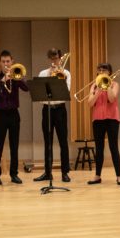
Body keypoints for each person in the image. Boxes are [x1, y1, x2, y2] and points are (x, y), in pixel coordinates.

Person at [0, 50, 28, 185]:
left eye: (8, 61)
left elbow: (26, 88)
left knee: (14, 146)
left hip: (13, 114)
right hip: (0, 114)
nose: (6, 64)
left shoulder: (15, 75)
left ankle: (14, 174)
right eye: (3, 61)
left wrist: (19, 77)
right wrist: (2, 81)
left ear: (12, 62)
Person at [34, 48, 72, 183]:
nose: (54, 61)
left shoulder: (66, 73)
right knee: (47, 142)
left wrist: (60, 77)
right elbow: (40, 96)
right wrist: (50, 75)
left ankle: (65, 172)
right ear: (49, 59)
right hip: (47, 110)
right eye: (51, 58)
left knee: (63, 142)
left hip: (60, 110)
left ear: (60, 58)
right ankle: (48, 172)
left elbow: (66, 92)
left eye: (56, 58)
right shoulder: (43, 73)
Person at [86, 63, 120, 185]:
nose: (102, 71)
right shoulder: (94, 86)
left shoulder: (115, 84)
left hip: (112, 118)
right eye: (100, 70)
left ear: (109, 72)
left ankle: (119, 176)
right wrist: (97, 89)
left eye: (104, 70)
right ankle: (97, 176)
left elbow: (112, 99)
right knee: (99, 148)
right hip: (98, 119)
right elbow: (90, 103)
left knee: (114, 147)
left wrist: (106, 85)